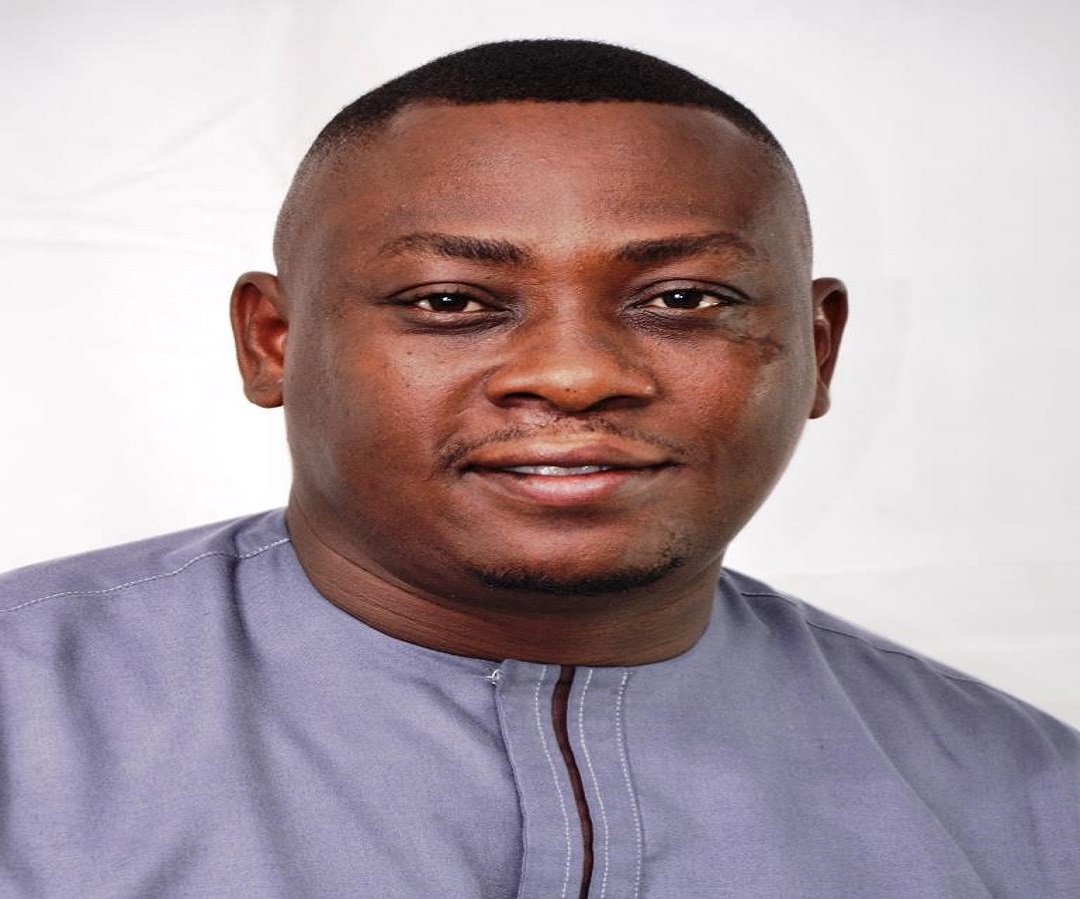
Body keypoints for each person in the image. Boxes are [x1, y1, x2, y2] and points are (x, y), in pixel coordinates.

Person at [1, 39, 1076, 898]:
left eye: (684, 299)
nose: (575, 374)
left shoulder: (1027, 800)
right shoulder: (24, 717)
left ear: (817, 349)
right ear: (272, 342)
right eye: (450, 302)